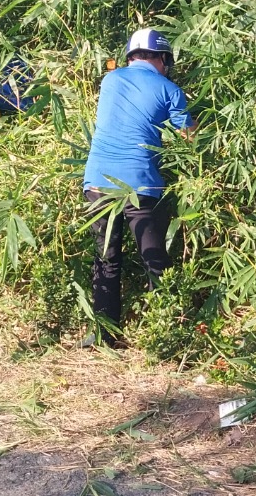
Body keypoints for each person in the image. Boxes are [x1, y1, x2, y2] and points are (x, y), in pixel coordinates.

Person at [82, 28, 194, 345]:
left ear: (131, 57)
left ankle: (103, 335)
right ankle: (165, 335)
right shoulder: (169, 89)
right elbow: (188, 137)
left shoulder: (109, 81)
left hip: (98, 181)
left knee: (106, 259)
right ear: (161, 58)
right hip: (140, 184)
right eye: (166, 62)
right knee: (154, 258)